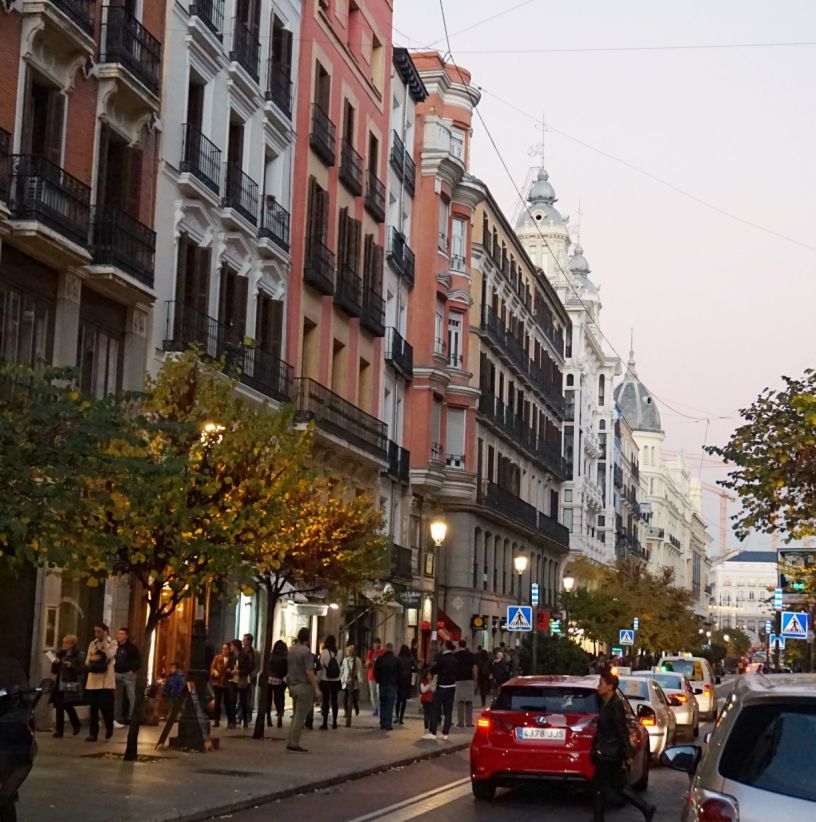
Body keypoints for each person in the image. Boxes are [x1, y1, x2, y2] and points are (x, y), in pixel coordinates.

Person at [591, 668, 656, 822]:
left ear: (610, 687)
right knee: (610, 785)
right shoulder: (605, 703)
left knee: (607, 785)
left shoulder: (615, 705)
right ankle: (644, 808)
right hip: (606, 751)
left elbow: (621, 730)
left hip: (611, 753)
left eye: (601, 683)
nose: (598, 686)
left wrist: (627, 754)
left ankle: (645, 808)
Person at [286, 627, 321, 752]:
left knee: (296, 714)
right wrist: (316, 687)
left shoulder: (290, 650)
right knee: (300, 717)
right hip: (304, 685)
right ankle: (293, 743)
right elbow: (309, 671)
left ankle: (291, 740)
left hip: (292, 684)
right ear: (307, 638)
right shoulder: (306, 652)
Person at [84, 622, 117, 742]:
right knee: (93, 709)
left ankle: (109, 725)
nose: (96, 634)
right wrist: (93, 659)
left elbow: (109, 655)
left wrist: (104, 645)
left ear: (105, 632)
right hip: (93, 681)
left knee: (106, 708)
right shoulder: (92, 644)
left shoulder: (112, 643)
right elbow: (87, 661)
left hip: (106, 682)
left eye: (99, 631)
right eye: (95, 631)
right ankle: (93, 733)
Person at [50, 634, 84, 737]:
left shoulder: (77, 656)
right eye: (63, 642)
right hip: (60, 683)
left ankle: (76, 724)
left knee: (68, 705)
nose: (64, 645)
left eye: (66, 643)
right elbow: (54, 671)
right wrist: (56, 663)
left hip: (69, 683)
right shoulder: (61, 654)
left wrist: (71, 666)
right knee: (59, 707)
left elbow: (81, 670)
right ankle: (59, 731)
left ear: (72, 644)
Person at [429, 640, 457, 741]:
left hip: (441, 686)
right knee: (448, 710)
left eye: (442, 645)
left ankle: (433, 731)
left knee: (435, 708)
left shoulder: (440, 658)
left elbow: (434, 669)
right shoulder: (454, 659)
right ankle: (445, 733)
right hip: (451, 686)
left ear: (445, 646)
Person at [113, 627, 141, 728]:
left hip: (128, 674)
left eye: (122, 634)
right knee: (116, 697)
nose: (119, 636)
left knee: (131, 696)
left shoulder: (131, 648)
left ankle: (131, 717)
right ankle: (116, 717)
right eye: (118, 633)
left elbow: (137, 659)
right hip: (116, 673)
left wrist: (132, 670)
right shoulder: (115, 646)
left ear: (126, 636)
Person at [373, 642, 399, 731]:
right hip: (392, 685)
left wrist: (379, 680)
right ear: (392, 649)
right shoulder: (396, 660)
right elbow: (399, 673)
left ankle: (382, 723)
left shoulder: (380, 659)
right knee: (390, 705)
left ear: (385, 649)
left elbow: (375, 671)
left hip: (382, 684)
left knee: (383, 704)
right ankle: (388, 724)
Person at [318, 634, 342, 730]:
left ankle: (325, 722)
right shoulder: (339, 652)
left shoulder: (324, 653)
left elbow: (320, 666)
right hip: (336, 680)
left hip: (326, 680)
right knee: (334, 701)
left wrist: (318, 679)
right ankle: (334, 722)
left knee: (325, 701)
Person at [227, 639, 252, 729]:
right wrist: (229, 670)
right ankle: (232, 721)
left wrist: (239, 671)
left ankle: (244, 719)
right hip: (233, 680)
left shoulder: (244, 656)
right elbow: (228, 666)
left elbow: (248, 668)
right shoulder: (231, 656)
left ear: (236, 646)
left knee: (243, 701)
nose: (230, 647)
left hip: (242, 680)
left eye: (231, 646)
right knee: (232, 701)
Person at [454, 639, 477, 727]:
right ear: (466, 645)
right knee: (469, 702)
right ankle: (469, 722)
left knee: (460, 702)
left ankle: (460, 722)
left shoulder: (455, 655)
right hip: (469, 679)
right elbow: (474, 668)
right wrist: (475, 680)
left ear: (459, 645)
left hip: (458, 680)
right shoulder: (471, 655)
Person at [340, 644, 363, 727]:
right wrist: (341, 679)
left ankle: (356, 707)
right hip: (346, 681)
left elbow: (359, 671)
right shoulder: (345, 660)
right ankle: (346, 712)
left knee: (353, 697)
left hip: (354, 682)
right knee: (345, 697)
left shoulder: (357, 660)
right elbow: (342, 670)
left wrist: (360, 680)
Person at [266, 640, 288, 728]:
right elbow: (285, 670)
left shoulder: (270, 656)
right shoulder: (284, 658)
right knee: (277, 699)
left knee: (268, 699)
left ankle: (268, 718)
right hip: (278, 679)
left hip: (269, 679)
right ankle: (279, 715)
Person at [209, 643, 232, 728]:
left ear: (229, 650)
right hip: (217, 682)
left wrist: (230, 671)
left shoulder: (231, 659)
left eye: (226, 649)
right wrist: (214, 671)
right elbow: (212, 667)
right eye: (223, 648)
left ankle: (230, 720)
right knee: (217, 702)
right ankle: (216, 720)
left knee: (227, 702)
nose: (224, 650)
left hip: (227, 683)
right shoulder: (218, 658)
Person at [365, 638, 385, 715]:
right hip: (372, 675)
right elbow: (367, 664)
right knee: (373, 693)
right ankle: (375, 708)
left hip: (381, 675)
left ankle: (381, 707)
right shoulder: (370, 652)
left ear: (380, 644)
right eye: (375, 643)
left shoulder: (383, 652)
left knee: (379, 692)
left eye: (377, 643)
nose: (376, 645)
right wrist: (368, 663)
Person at [395, 644, 414, 725]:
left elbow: (394, 668)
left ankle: (396, 716)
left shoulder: (397, 658)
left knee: (398, 699)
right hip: (407, 681)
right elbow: (416, 668)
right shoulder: (410, 659)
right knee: (404, 700)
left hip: (399, 680)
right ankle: (401, 718)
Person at [242, 634, 259, 723]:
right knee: (241, 697)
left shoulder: (255, 653)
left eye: (244, 639)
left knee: (249, 697)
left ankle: (248, 714)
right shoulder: (241, 651)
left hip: (251, 678)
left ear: (249, 641)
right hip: (241, 677)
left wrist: (252, 675)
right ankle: (240, 714)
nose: (243, 641)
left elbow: (257, 666)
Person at [419, 665, 436, 739]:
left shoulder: (433, 682)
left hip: (432, 700)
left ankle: (431, 730)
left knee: (431, 715)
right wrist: (429, 685)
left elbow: (433, 690)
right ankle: (426, 729)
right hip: (426, 700)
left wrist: (431, 684)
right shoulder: (423, 682)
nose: (429, 676)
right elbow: (423, 690)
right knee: (426, 715)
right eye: (428, 675)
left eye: (430, 675)